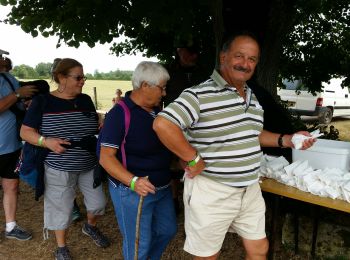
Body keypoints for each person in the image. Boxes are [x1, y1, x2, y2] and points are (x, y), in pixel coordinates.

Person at [153, 32, 316, 260]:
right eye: (239, 56)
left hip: (249, 188)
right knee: (207, 256)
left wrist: (286, 140)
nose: (245, 64)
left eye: (252, 59)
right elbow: (163, 124)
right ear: (223, 57)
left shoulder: (252, 96)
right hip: (212, 190)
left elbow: (253, 134)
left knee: (259, 249)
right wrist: (192, 158)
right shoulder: (199, 94)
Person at [20, 58, 110, 260]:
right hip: (58, 166)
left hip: (88, 164)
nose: (82, 81)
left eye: (83, 77)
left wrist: (101, 122)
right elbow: (25, 132)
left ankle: (90, 226)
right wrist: (46, 142)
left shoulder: (85, 99)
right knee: (62, 210)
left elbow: (92, 121)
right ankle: (61, 248)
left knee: (98, 204)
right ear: (61, 78)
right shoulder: (43, 102)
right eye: (78, 77)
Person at [99, 61, 177, 260]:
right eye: (162, 88)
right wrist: (134, 181)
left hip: (162, 188)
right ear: (145, 85)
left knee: (166, 231)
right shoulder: (120, 114)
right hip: (133, 191)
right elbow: (105, 158)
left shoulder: (157, 112)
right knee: (138, 245)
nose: (164, 93)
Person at [164, 45, 209, 214]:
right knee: (172, 161)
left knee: (194, 158)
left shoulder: (203, 72)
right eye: (188, 51)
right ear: (178, 50)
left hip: (199, 125)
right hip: (173, 124)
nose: (192, 55)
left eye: (195, 52)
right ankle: (174, 198)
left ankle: (196, 199)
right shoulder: (168, 71)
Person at [0, 56, 36, 241]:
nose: (2, 59)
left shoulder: (8, 78)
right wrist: (17, 95)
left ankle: (11, 226)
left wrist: (25, 103)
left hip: (11, 145)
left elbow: (18, 103)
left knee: (12, 186)